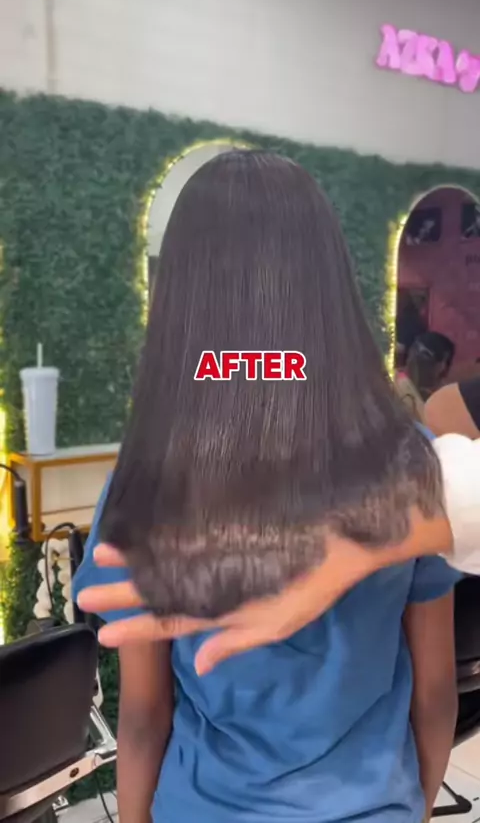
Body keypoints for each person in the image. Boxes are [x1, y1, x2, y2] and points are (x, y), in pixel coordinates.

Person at [74, 151, 460, 823]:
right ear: (329, 286)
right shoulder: (414, 464)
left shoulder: (145, 481)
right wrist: (413, 809)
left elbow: (143, 718)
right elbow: (434, 693)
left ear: (182, 302)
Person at [395, 332, 455, 422]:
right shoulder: (395, 383)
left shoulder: (447, 401)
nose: (416, 358)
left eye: (426, 354)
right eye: (415, 349)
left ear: (443, 366)